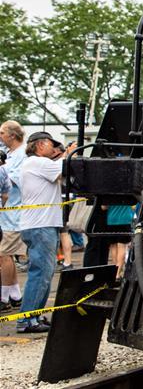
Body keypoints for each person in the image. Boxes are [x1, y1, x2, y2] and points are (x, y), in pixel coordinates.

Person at [16, 131, 75, 333]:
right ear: (41, 145)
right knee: (41, 272)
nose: (54, 149)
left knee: (45, 272)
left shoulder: (37, 164)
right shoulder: (37, 163)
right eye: (52, 145)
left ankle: (34, 316)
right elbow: (67, 167)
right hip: (40, 226)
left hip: (40, 224)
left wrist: (63, 155)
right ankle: (27, 319)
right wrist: (70, 154)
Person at [0, 121, 27, 313]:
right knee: (5, 255)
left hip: (14, 213)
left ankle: (3, 297)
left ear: (13, 135)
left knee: (4, 255)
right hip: (7, 214)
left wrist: (4, 171)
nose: (0, 136)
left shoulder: (22, 154)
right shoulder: (9, 154)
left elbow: (16, 179)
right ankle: (15, 294)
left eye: (2, 133)